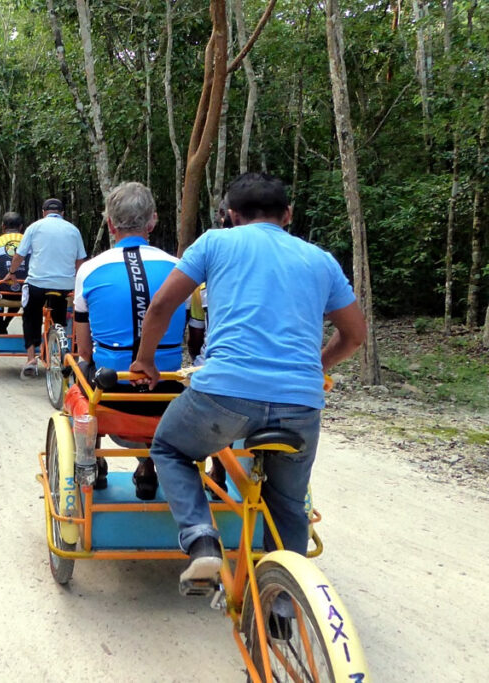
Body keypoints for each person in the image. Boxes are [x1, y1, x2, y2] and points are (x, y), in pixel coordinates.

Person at [128, 172, 366, 591]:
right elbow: (354, 335)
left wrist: (145, 360)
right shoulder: (320, 259)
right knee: (288, 503)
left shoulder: (215, 243)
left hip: (224, 394)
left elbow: (163, 305)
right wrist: (317, 365)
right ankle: (284, 600)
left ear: (231, 216)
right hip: (300, 404)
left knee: (167, 447)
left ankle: (201, 540)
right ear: (288, 214)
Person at [73, 182, 187, 500]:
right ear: (152, 221)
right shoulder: (180, 269)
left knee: (79, 369)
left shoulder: (90, 270)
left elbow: (84, 349)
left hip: (109, 395)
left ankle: (93, 464)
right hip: (166, 391)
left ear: (110, 223)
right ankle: (147, 469)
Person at [10, 198, 87, 378]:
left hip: (38, 284)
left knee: (30, 315)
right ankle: (60, 345)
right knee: (59, 314)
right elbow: (80, 261)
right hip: (64, 286)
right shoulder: (73, 230)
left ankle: (30, 359)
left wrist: (12, 272)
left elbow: (20, 255)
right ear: (63, 213)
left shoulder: (35, 227)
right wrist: (77, 283)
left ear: (43, 212)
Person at [0, 212, 29, 334]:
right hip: (25, 290)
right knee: (19, 291)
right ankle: (5, 324)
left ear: (3, 227)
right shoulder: (30, 242)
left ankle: (1, 325)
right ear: (21, 227)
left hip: (4, 288)